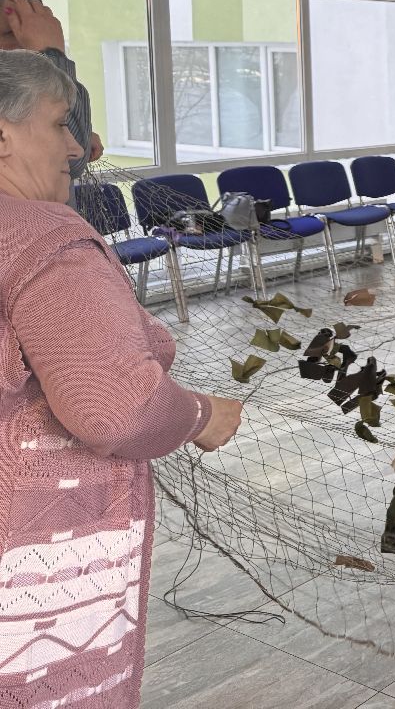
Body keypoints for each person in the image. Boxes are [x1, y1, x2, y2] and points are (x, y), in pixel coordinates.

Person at [0, 50, 242, 709]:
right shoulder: (41, 237)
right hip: (30, 557)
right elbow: (116, 410)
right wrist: (199, 415)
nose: (77, 147)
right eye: (58, 125)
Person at [0, 0, 104, 177]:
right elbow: (68, 165)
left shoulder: (70, 89)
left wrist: (64, 128)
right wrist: (50, 55)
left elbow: (74, 152)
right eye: (8, 34)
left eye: (30, 29)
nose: (25, 42)